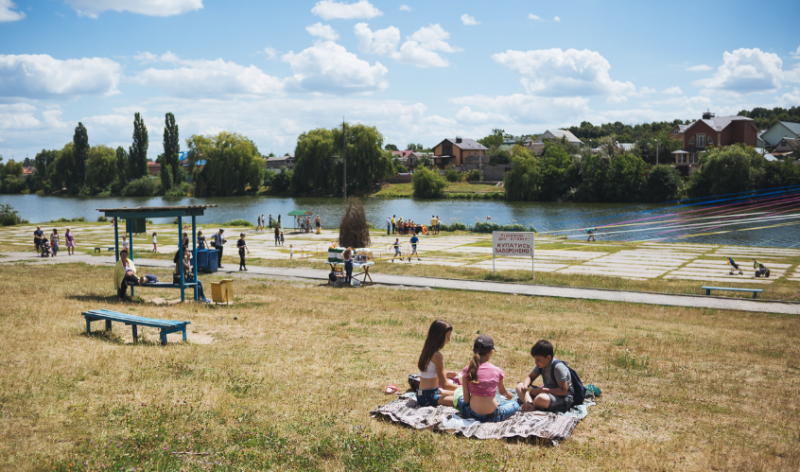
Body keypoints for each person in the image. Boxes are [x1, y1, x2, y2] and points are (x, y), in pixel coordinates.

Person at [458, 335, 519, 422]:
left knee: (460, 400)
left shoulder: (467, 370)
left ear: (474, 352)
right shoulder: (497, 371)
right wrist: (510, 395)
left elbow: (466, 400)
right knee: (514, 404)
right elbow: (502, 392)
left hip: (472, 414)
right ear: (491, 352)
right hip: (493, 416)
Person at [516, 340, 574, 413]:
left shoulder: (558, 368)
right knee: (519, 386)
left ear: (548, 358)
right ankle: (530, 404)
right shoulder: (541, 365)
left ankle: (532, 404)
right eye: (535, 359)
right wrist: (525, 385)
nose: (536, 362)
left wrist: (542, 390)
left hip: (562, 398)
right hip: (545, 393)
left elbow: (563, 391)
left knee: (540, 399)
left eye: (538, 359)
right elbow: (530, 377)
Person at [416, 320, 460, 407]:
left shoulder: (427, 350)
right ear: (439, 337)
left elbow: (428, 374)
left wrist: (447, 374)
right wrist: (466, 389)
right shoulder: (437, 356)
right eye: (447, 337)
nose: (449, 340)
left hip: (422, 394)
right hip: (429, 397)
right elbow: (445, 385)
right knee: (463, 400)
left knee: (460, 395)